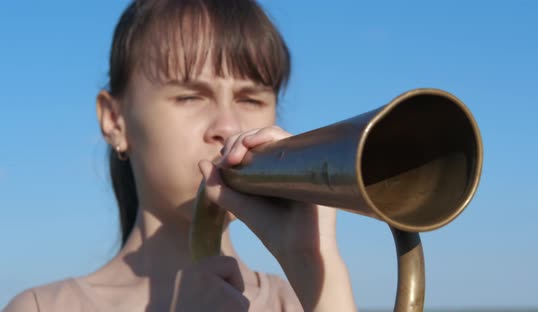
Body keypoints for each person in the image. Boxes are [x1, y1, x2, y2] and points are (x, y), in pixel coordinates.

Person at [3, 0, 356, 311]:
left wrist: (318, 267)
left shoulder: (298, 304)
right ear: (115, 120)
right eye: (190, 96)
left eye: (251, 99)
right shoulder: (42, 307)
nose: (229, 126)